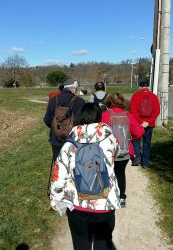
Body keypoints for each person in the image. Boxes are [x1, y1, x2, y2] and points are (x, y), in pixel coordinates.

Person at [49, 103, 121, 249]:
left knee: (81, 244)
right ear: (100, 118)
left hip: (77, 205)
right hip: (105, 204)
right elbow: (118, 153)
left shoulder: (69, 144)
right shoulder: (110, 139)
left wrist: (55, 200)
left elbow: (59, 175)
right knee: (103, 244)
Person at [102, 93, 145, 207]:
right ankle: (121, 198)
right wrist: (132, 139)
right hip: (124, 152)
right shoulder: (128, 116)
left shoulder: (104, 115)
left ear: (108, 103)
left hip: (108, 152)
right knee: (120, 174)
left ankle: (107, 198)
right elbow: (140, 132)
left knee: (107, 174)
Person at [43, 79, 85, 162]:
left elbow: (47, 120)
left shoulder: (53, 100)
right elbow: (83, 122)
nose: (76, 91)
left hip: (56, 139)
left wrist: (56, 128)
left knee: (58, 165)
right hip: (74, 139)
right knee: (74, 165)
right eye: (76, 89)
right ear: (73, 88)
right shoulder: (80, 101)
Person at [129, 87, 160, 168]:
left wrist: (141, 121)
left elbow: (133, 110)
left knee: (136, 140)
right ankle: (145, 163)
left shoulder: (135, 95)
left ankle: (137, 157)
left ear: (140, 87)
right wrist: (148, 122)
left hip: (138, 124)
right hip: (149, 125)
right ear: (148, 88)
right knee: (147, 143)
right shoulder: (153, 96)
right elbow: (157, 111)